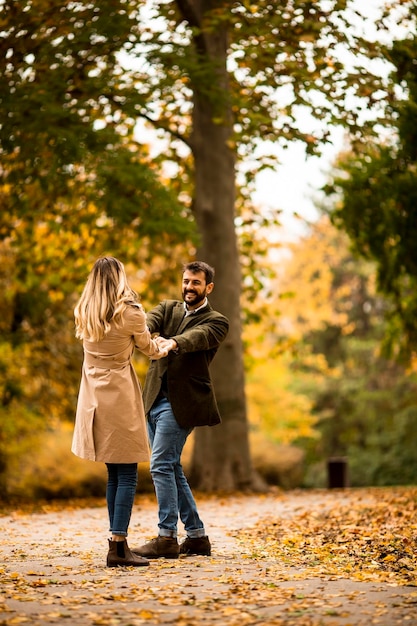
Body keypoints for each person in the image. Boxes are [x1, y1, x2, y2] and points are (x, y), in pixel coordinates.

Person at [71, 256, 173, 568]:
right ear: (119, 278)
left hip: (93, 396)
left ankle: (117, 542)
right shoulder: (130, 313)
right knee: (127, 470)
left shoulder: (85, 311)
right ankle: (118, 546)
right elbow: (150, 349)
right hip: (119, 395)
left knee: (113, 472)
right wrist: (167, 344)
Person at [134, 261, 229, 559]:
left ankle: (166, 538)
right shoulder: (168, 308)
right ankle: (197, 536)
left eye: (196, 283)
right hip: (152, 400)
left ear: (208, 287)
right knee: (172, 468)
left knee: (160, 465)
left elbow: (195, 338)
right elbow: (148, 321)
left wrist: (172, 342)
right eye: (186, 281)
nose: (189, 287)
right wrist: (141, 331)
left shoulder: (217, 321)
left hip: (182, 405)